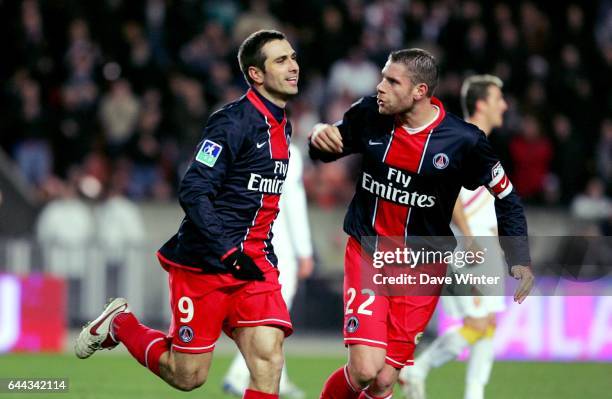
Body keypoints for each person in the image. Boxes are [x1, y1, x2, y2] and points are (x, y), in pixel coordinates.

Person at [75, 29, 300, 399]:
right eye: (281, 60)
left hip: (255, 263)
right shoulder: (232, 123)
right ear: (256, 74)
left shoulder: (282, 125)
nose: (293, 66)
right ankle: (120, 323)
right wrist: (228, 250)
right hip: (206, 263)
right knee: (188, 376)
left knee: (269, 359)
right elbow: (193, 190)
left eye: (292, 57)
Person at [309, 49, 534, 399]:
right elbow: (327, 147)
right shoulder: (369, 113)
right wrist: (319, 136)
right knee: (366, 368)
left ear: (419, 91)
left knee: (385, 380)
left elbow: (507, 196)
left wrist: (518, 256)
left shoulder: (465, 141)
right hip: (370, 254)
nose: (380, 87)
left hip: (423, 269)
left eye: (391, 81)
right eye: (382, 77)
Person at [399, 74, 510, 399]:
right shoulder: (462, 141)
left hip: (484, 248)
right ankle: (416, 368)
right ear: (481, 104)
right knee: (477, 324)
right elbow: (446, 195)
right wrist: (471, 237)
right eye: (497, 99)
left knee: (487, 323)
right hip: (466, 247)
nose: (504, 105)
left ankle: (474, 394)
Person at [222, 143, 314, 398]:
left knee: (263, 320)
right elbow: (294, 203)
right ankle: (238, 375)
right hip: (278, 248)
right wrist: (304, 251)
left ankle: (280, 381)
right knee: (273, 320)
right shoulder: (289, 152)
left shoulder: (242, 144)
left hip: (246, 245)